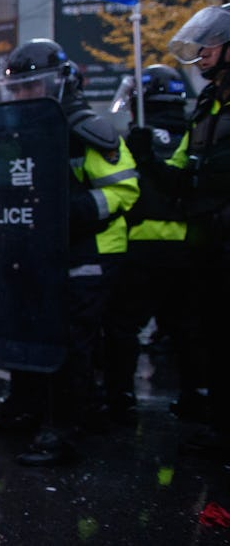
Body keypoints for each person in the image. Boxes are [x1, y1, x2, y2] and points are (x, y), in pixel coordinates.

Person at [0, 39, 139, 466]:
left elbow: (125, 190)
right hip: (45, 252)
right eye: (17, 88)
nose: (24, 95)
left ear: (61, 82)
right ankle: (39, 410)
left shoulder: (87, 131)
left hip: (90, 250)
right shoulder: (24, 132)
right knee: (35, 334)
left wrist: (71, 212)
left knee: (71, 342)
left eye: (32, 86)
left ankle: (63, 432)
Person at [103, 65, 201, 424]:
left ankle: (119, 395)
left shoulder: (137, 140)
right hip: (188, 248)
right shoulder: (195, 131)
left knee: (122, 326)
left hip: (141, 247)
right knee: (186, 328)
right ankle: (195, 395)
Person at [166, 5, 230, 457]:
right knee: (213, 333)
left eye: (212, 43)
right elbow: (186, 171)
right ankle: (221, 423)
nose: (203, 52)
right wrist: (151, 159)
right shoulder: (208, 103)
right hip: (207, 235)